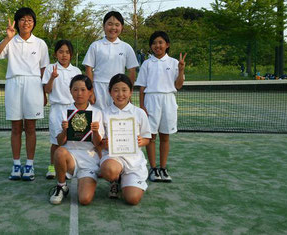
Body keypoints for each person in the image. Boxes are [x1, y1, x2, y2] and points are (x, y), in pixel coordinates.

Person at [0, 7, 49, 181]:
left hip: (34, 85)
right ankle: (16, 164)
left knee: (30, 127)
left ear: (33, 23)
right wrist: (7, 38)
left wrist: (44, 92)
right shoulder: (10, 41)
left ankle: (29, 165)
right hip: (14, 84)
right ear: (17, 22)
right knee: (16, 127)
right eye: (22, 19)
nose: (26, 22)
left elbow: (43, 68)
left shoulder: (40, 44)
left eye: (29, 19)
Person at [135, 31, 186, 183]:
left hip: (168, 101)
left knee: (165, 136)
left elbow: (178, 85)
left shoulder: (174, 63)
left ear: (167, 45)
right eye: (154, 43)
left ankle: (163, 168)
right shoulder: (147, 63)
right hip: (151, 101)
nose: (157, 45)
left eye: (160, 42)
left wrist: (181, 69)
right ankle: (153, 168)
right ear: (151, 46)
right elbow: (142, 87)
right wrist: (142, 106)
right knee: (151, 137)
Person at [49, 75, 104, 205]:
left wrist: (95, 131)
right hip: (70, 156)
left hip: (89, 159)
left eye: (83, 90)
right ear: (70, 91)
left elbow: (98, 144)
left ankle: (85, 180)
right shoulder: (63, 112)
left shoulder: (97, 113)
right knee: (59, 152)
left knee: (84, 199)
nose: (79, 93)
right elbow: (59, 142)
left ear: (90, 92)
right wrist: (65, 131)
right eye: (75, 89)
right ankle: (61, 186)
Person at [99, 74, 151, 205]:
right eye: (116, 90)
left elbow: (147, 138)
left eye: (124, 90)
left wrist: (141, 141)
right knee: (110, 170)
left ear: (130, 92)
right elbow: (99, 142)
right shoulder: (104, 113)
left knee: (132, 199)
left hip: (134, 161)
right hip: (113, 158)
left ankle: (125, 181)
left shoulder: (139, 113)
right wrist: (104, 143)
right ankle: (114, 181)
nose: (120, 94)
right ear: (110, 92)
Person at [82, 11, 139, 110]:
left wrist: (128, 92)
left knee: (116, 119)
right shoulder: (95, 45)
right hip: (98, 89)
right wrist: (91, 92)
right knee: (99, 119)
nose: (113, 28)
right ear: (104, 26)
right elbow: (88, 69)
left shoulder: (126, 47)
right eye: (110, 24)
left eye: (117, 25)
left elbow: (132, 71)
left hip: (118, 90)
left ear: (122, 27)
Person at [42, 40, 82, 179]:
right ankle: (52, 167)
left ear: (71, 54)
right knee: (56, 141)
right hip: (57, 110)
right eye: (61, 52)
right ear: (55, 54)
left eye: (67, 52)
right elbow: (47, 89)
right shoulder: (50, 69)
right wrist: (52, 78)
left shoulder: (76, 71)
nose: (64, 55)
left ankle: (72, 166)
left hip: (73, 109)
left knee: (74, 141)